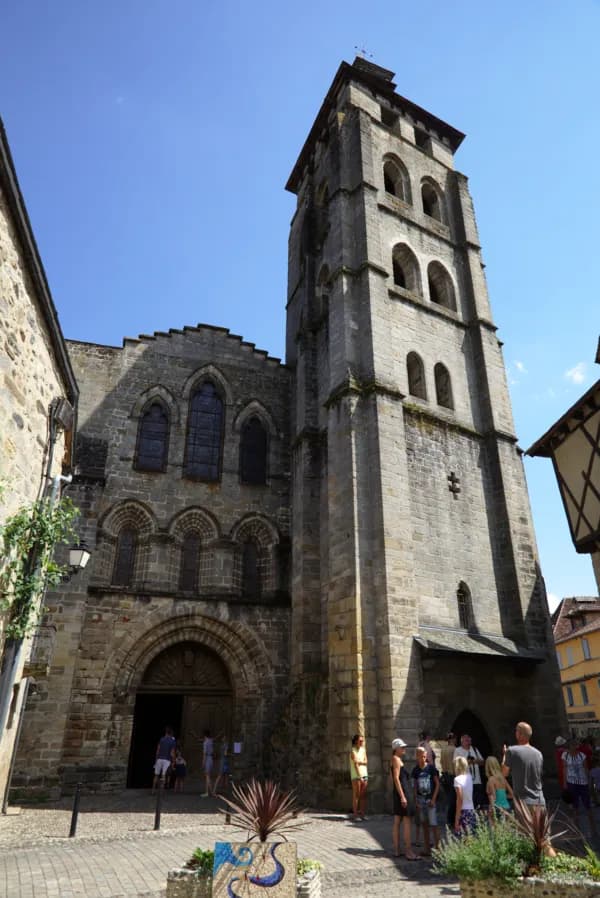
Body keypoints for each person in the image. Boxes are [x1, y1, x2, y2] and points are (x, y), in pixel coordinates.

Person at [502, 720, 556, 857]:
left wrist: (504, 756)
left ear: (519, 734)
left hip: (523, 802)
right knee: (545, 840)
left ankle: (530, 870)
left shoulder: (512, 751)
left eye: (516, 731)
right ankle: (555, 867)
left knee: (525, 838)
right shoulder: (538, 753)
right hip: (539, 800)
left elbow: (504, 773)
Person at [561, 737, 597, 835]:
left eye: (576, 745)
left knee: (587, 805)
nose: (575, 747)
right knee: (575, 806)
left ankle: (593, 829)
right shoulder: (565, 755)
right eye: (573, 745)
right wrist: (565, 783)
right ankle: (577, 829)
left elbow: (586, 769)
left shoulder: (582, 756)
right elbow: (564, 769)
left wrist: (589, 782)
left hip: (583, 782)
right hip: (571, 782)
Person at [390, 738, 418, 860]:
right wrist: (402, 796)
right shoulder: (396, 760)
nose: (404, 749)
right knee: (407, 822)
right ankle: (408, 851)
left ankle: (397, 850)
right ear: (396, 749)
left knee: (397, 822)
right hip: (403, 793)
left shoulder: (395, 759)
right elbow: (396, 778)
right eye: (402, 747)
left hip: (399, 792)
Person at [412, 746, 440, 855]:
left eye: (425, 756)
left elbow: (437, 784)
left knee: (434, 824)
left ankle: (438, 849)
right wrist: (416, 801)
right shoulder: (415, 770)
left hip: (430, 799)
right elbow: (414, 787)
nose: (423, 758)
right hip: (421, 799)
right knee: (424, 824)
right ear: (417, 757)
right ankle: (427, 848)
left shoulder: (431, 768)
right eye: (421, 756)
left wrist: (433, 799)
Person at [454, 733, 485, 808]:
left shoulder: (474, 749)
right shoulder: (458, 750)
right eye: (466, 740)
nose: (468, 741)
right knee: (467, 803)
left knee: (478, 803)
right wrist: (467, 762)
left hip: (477, 781)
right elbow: (456, 763)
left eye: (469, 740)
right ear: (462, 741)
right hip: (465, 782)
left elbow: (483, 762)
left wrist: (475, 761)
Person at [485, 755, 513, 821]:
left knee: (495, 830)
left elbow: (493, 797)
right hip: (506, 808)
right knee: (506, 830)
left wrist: (490, 812)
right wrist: (502, 795)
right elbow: (512, 795)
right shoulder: (503, 778)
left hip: (497, 809)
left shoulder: (491, 780)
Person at [453, 755, 476, 835]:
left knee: (463, 839)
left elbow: (460, 799)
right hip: (471, 809)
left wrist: (457, 818)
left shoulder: (457, 779)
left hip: (463, 811)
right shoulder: (469, 777)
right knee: (470, 838)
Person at [440, 733, 457, 829]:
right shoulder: (454, 749)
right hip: (452, 776)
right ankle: (451, 820)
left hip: (445, 775)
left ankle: (448, 819)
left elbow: (441, 762)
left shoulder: (443, 750)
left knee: (448, 799)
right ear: (453, 739)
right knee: (453, 799)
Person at [350, 734, 368, 820]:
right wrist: (359, 776)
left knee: (363, 795)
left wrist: (360, 761)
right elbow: (355, 764)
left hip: (365, 774)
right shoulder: (353, 751)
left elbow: (366, 761)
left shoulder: (363, 750)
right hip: (356, 775)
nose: (362, 742)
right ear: (356, 741)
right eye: (360, 741)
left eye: (362, 741)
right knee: (356, 795)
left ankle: (363, 814)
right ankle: (355, 815)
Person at [152, 725, 176, 792]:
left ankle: (153, 790)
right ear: (171, 733)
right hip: (167, 760)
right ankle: (161, 791)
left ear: (166, 732)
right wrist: (173, 761)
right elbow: (172, 753)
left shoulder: (161, 739)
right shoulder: (172, 741)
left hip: (159, 759)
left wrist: (156, 759)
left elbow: (158, 750)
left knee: (156, 775)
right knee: (163, 775)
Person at [201, 729, 214, 797]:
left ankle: (209, 792)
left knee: (207, 776)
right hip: (211, 759)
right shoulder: (211, 741)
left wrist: (203, 762)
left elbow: (204, 754)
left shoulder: (205, 742)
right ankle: (209, 792)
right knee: (208, 776)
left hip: (207, 759)